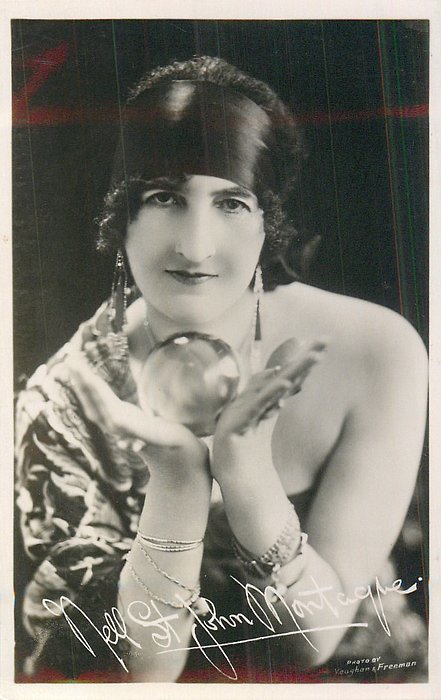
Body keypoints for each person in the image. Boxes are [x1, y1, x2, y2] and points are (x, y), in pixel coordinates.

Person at [15, 56, 428, 683]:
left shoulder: (377, 352)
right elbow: (145, 673)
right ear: (120, 218)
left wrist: (247, 473)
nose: (196, 245)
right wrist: (178, 484)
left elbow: (315, 639)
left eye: (231, 203)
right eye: (164, 197)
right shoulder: (62, 407)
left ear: (269, 224)